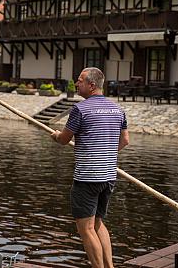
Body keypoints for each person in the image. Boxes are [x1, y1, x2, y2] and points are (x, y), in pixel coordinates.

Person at [51, 67, 129, 268]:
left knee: (85, 228)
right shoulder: (118, 110)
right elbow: (125, 140)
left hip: (87, 178)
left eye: (80, 80)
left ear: (92, 85)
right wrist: (106, 154)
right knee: (98, 223)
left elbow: (64, 139)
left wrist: (56, 136)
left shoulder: (80, 109)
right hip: (108, 177)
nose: (76, 84)